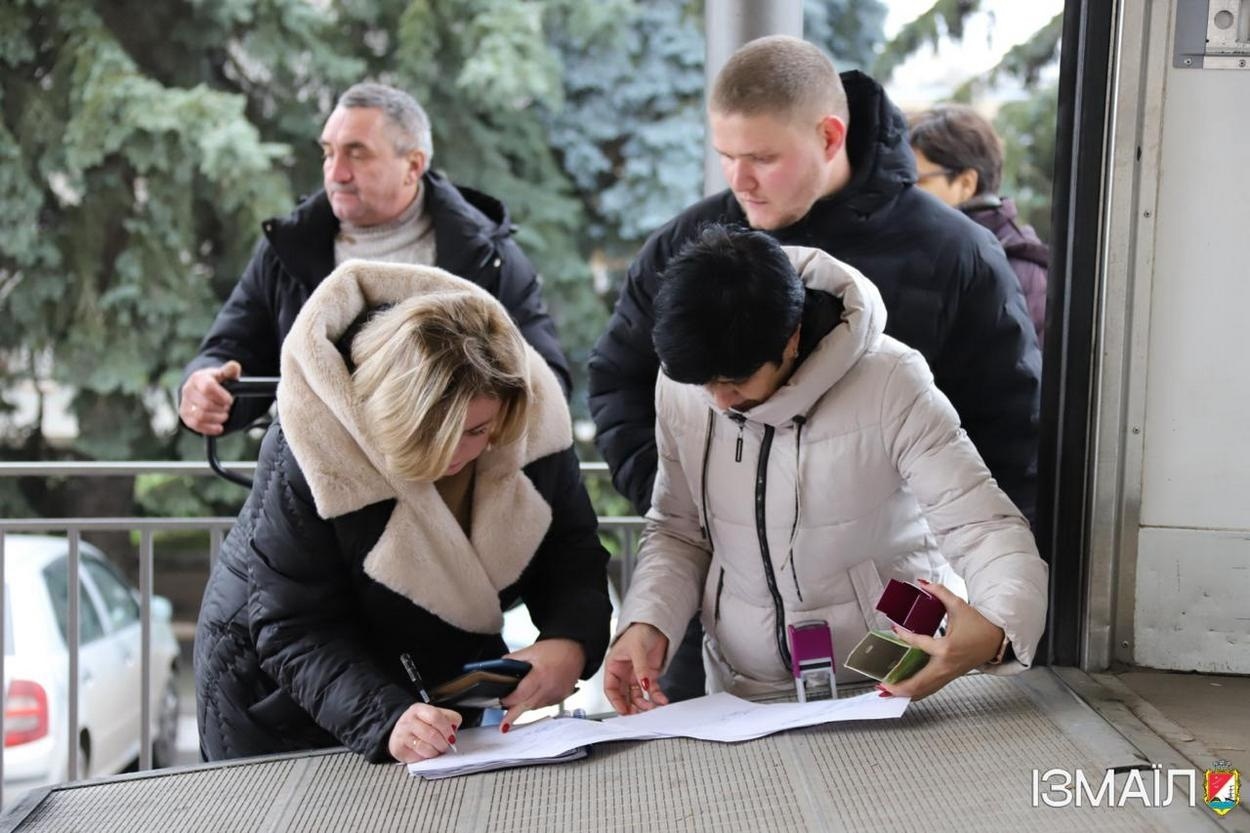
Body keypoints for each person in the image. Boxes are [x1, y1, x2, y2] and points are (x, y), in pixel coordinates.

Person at [588, 35, 1041, 700]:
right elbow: (625, 397)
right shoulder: (688, 249)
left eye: (762, 159)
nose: (737, 181)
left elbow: (1004, 466)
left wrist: (998, 618)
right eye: (725, 157)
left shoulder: (953, 258)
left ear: (830, 136)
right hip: (723, 639)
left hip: (891, 651)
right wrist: (707, 511)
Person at [603, 225, 1048, 712]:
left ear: (792, 338)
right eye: (703, 383)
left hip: (891, 683)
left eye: (735, 381)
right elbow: (678, 529)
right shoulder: (684, 385)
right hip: (745, 695)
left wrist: (997, 628)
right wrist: (647, 619)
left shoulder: (891, 380)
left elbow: (983, 526)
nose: (719, 401)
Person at [194, 260, 611, 763]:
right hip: (279, 694)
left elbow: (570, 550)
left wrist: (569, 641)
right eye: (438, 435)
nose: (459, 455)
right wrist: (385, 715)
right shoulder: (309, 440)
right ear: (394, 413)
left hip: (435, 693)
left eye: (480, 431)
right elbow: (292, 627)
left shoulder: (535, 419)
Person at [180, 82, 570, 437]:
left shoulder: (487, 255)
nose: (336, 173)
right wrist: (208, 387)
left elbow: (546, 382)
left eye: (356, 154)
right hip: (310, 494)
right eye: (328, 153)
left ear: (413, 166)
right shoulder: (287, 249)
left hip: (446, 487)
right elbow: (233, 352)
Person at [908, 104, 1049, 346]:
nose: (905, 193)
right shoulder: (927, 250)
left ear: (966, 183)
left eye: (916, 181)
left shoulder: (1019, 271)